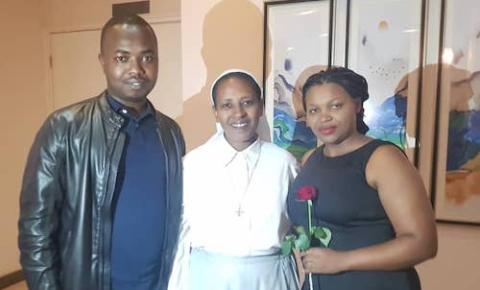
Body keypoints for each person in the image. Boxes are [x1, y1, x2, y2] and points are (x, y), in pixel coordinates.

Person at [18, 14, 185, 290]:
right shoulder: (64, 128)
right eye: (122, 58)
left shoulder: (170, 134)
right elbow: (35, 231)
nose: (136, 69)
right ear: (103, 61)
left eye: (147, 58)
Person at [287, 67, 437, 290]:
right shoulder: (310, 159)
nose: (324, 117)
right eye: (314, 110)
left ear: (356, 105)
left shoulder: (383, 159)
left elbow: (423, 243)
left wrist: (342, 260)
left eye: (335, 106)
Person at [169, 70, 299, 290]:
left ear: (260, 107)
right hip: (208, 279)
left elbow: (298, 226)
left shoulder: (283, 163)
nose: (238, 113)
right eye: (227, 105)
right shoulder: (192, 165)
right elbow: (179, 237)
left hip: (270, 278)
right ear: (216, 112)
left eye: (247, 102)